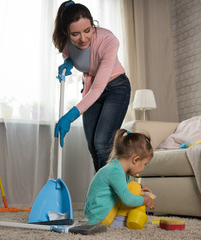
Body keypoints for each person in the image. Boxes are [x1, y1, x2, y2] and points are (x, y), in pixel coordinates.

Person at [53, 1, 131, 172]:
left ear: (93, 25)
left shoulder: (108, 41)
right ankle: (101, 193)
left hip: (116, 88)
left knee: (102, 143)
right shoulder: (66, 44)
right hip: (90, 90)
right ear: (66, 32)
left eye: (87, 31)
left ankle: (110, 193)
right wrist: (68, 63)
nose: (82, 38)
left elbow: (98, 87)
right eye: (75, 34)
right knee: (93, 148)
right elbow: (74, 55)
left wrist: (70, 116)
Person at [83, 129, 155, 228]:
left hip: (95, 214)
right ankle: (119, 221)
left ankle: (118, 219)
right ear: (136, 159)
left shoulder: (117, 168)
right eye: (144, 164)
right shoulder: (115, 172)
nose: (144, 168)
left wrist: (140, 188)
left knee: (134, 186)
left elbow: (122, 187)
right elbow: (127, 199)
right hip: (99, 218)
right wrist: (145, 200)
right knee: (133, 186)